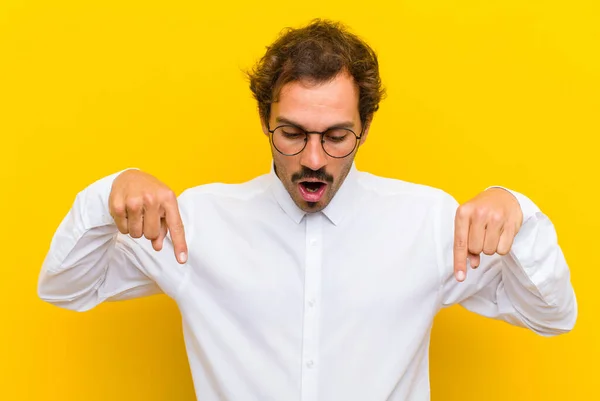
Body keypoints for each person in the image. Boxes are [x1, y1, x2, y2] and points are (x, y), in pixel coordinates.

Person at [38, 19, 577, 401]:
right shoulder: (195, 223)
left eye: (337, 136)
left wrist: (517, 211)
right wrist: (109, 194)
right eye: (292, 133)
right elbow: (65, 287)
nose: (313, 159)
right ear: (265, 123)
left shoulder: (427, 222)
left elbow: (553, 316)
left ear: (364, 127)